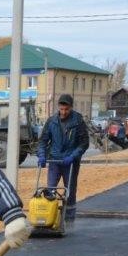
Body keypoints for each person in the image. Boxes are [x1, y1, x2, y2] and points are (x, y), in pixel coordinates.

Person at [37, 94, 89, 224]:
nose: (63, 112)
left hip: (70, 162)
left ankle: (69, 219)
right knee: (50, 190)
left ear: (70, 107)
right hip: (54, 160)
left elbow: (84, 143)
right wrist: (42, 155)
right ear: (58, 107)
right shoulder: (52, 121)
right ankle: (50, 218)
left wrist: (73, 156)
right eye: (61, 109)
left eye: (66, 109)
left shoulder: (78, 121)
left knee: (69, 191)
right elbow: (43, 141)